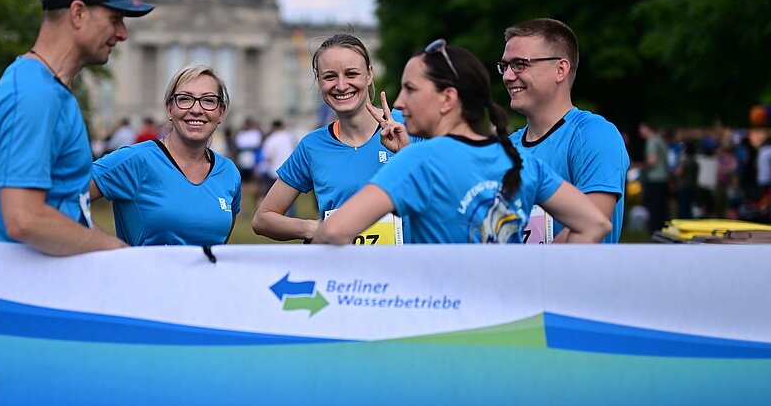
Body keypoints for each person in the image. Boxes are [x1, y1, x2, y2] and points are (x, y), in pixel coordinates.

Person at [314, 41, 611, 244]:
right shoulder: (519, 161)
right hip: (511, 327)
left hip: (442, 328)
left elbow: (335, 231)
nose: (400, 102)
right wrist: (540, 281)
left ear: (447, 99)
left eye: (410, 89)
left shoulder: (417, 162)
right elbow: (596, 224)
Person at [0, 0, 153, 255]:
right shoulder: (35, 93)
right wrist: (118, 254)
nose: (123, 34)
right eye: (115, 19)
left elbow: (71, 209)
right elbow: (24, 218)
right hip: (38, 291)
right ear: (78, 13)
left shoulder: (46, 87)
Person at [253, 33, 412, 243]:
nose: (341, 85)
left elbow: (452, 197)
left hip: (405, 271)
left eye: (351, 74)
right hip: (341, 273)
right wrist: (312, 228)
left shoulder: (409, 125)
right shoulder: (312, 146)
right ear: (319, 81)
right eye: (329, 76)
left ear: (369, 74)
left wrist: (408, 155)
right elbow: (262, 219)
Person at [499, 18, 629, 242]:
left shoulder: (595, 135)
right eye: (505, 66)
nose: (508, 76)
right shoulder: (507, 146)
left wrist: (524, 270)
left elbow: (591, 226)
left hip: (574, 277)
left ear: (561, 69)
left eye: (520, 64)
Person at [89, 64, 240, 246]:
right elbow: (66, 195)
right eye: (185, 99)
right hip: (144, 275)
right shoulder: (135, 160)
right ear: (170, 109)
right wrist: (111, 249)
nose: (196, 109)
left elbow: (219, 246)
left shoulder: (229, 172)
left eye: (208, 100)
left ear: (221, 112)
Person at [639, 122, 670, 232]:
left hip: (654, 178)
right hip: (663, 178)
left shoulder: (651, 141)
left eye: (642, 128)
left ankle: (655, 231)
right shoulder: (660, 140)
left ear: (648, 128)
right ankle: (663, 230)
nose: (640, 131)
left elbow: (652, 161)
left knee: (654, 207)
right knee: (662, 207)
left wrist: (641, 166)